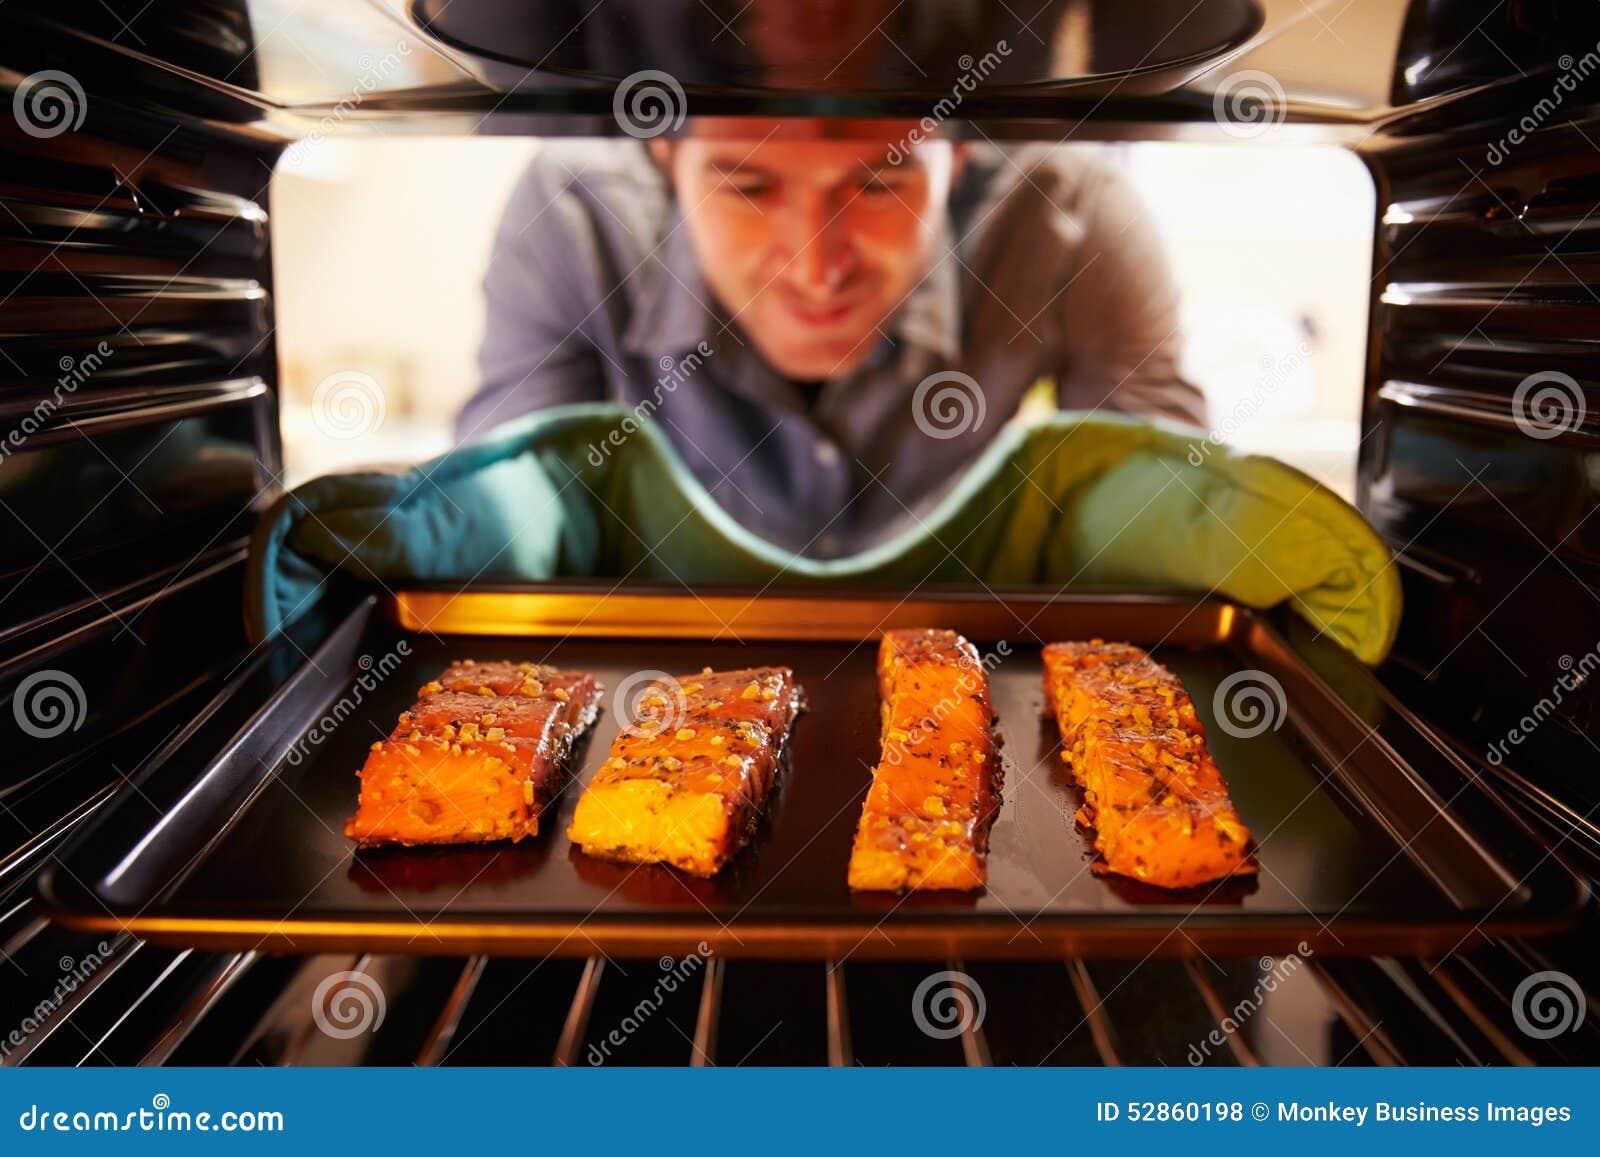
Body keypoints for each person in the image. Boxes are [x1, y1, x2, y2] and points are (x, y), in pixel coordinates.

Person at [459, 118, 1204, 556]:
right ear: (664, 156)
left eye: (880, 184)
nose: (816, 269)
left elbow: (1152, 498)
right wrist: (469, 522)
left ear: (960, 154)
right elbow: (526, 486)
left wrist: (1204, 523)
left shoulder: (1070, 212)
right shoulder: (573, 210)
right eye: (747, 186)